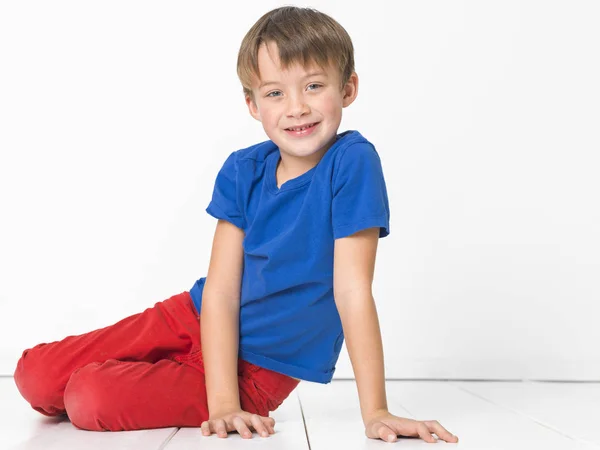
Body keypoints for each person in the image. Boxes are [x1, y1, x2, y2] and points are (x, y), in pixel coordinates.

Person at [14, 6, 459, 444]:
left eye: (314, 86)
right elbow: (222, 291)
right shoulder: (243, 169)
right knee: (34, 374)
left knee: (88, 397)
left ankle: (144, 383)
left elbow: (352, 290)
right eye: (275, 93)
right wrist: (218, 398)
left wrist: (374, 410)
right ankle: (147, 377)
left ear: (348, 89)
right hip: (194, 316)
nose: (297, 108)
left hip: (259, 368)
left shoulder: (352, 162)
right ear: (252, 103)